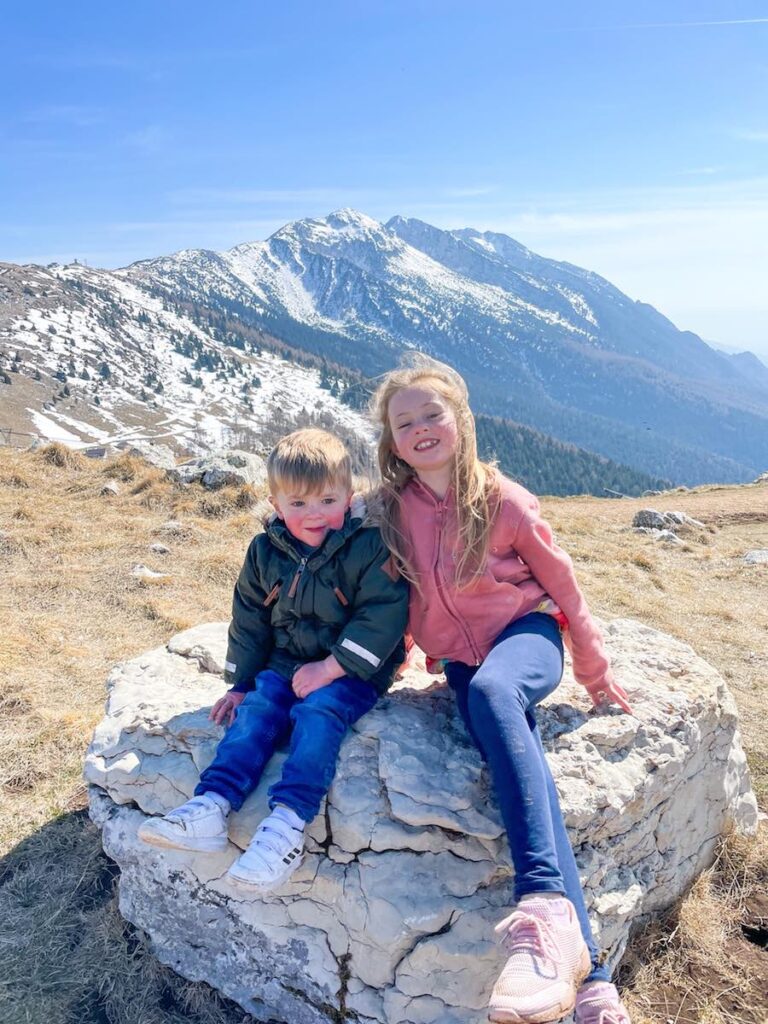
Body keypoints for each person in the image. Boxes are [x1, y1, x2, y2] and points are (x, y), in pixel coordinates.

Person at [372, 356, 632, 1024]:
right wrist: (399, 657)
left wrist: (594, 669)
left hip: (528, 638)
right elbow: (400, 592)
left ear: (462, 419)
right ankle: (594, 981)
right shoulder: (392, 510)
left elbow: (565, 584)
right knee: (526, 767)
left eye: (434, 413)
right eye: (406, 422)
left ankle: (542, 903)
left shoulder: (504, 500)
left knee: (493, 696)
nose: (422, 428)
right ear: (391, 440)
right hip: (461, 659)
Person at [139, 428, 408, 890]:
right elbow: (249, 619)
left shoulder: (369, 545)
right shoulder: (266, 550)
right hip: (286, 660)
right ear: (276, 502)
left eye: (327, 499)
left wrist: (332, 667)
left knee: (318, 713)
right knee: (259, 709)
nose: (314, 514)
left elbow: (382, 614)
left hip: (353, 669)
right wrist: (241, 682)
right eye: (298, 503)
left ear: (349, 494)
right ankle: (213, 804)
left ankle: (286, 825)